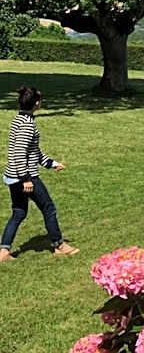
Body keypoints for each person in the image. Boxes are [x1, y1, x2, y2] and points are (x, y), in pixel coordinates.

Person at [0, 85, 78, 260]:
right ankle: (59, 245)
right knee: (48, 208)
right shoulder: (27, 125)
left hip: (13, 176)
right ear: (36, 103)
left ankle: (4, 251)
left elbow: (33, 152)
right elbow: (20, 154)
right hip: (25, 177)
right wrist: (26, 179)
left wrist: (52, 163)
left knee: (19, 212)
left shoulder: (18, 119)